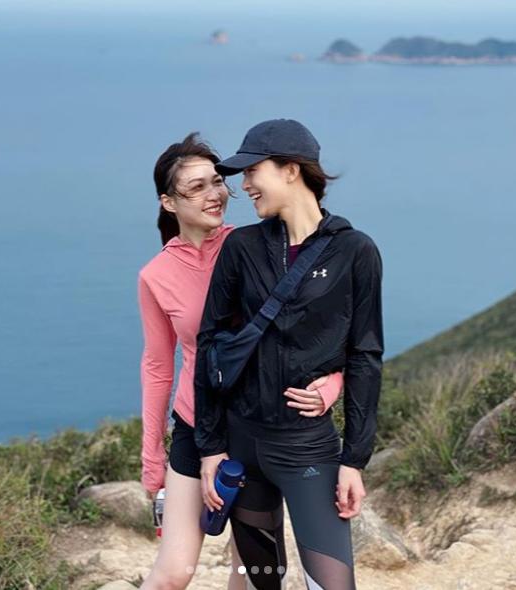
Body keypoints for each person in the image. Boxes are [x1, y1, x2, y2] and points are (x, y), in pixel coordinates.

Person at [137, 132, 346, 590]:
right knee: (173, 572)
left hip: (259, 424)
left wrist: (332, 385)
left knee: (253, 574)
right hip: (197, 426)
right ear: (168, 203)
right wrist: (152, 454)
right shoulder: (156, 275)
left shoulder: (260, 247)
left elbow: (322, 330)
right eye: (196, 187)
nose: (215, 194)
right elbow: (158, 366)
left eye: (218, 182)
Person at [194, 119, 384, 590]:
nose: (244, 185)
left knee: (333, 585)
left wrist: (355, 459)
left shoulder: (355, 251)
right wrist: (211, 448)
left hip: (307, 450)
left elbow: (365, 355)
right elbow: (211, 345)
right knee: (261, 582)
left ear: (291, 170)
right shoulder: (241, 248)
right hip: (242, 448)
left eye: (252, 171)